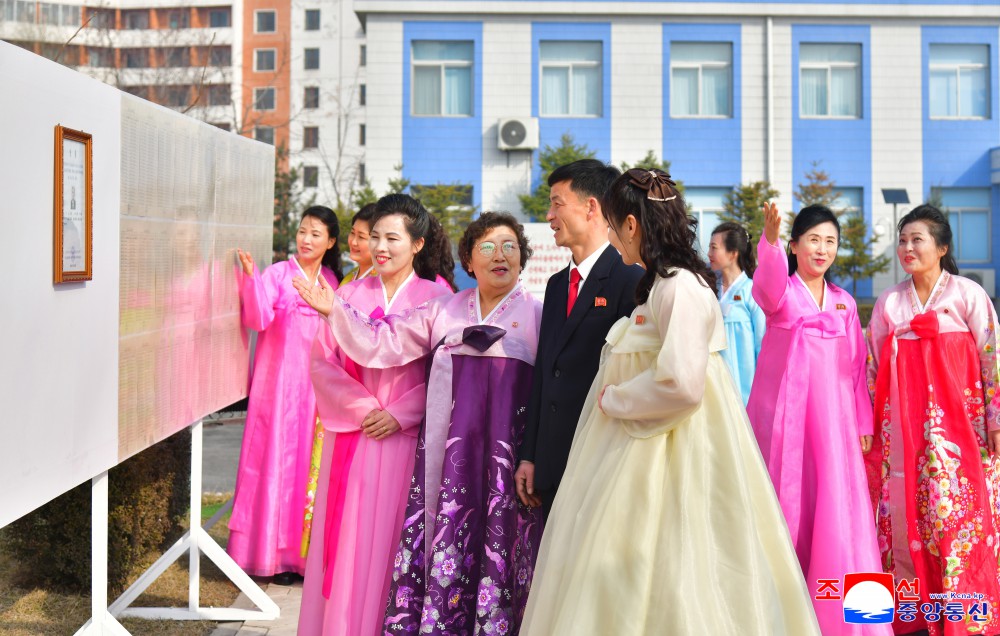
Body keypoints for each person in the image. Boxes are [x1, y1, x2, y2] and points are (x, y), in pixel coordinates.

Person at [520, 170, 819, 635]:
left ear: (632, 226)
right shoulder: (660, 284)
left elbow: (682, 384)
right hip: (645, 444)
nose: (612, 238)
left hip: (671, 449)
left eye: (615, 226)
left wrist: (616, 399)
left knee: (672, 565)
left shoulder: (679, 286)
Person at [296, 212, 543, 635]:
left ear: (523, 257)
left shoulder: (539, 316)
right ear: (469, 260)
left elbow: (551, 394)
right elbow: (383, 340)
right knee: (445, 550)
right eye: (487, 247)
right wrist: (334, 310)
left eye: (510, 247)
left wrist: (536, 457)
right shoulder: (443, 311)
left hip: (508, 470)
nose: (499, 256)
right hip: (449, 468)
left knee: (506, 554)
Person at [296, 194, 453, 636]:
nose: (380, 247)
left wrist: (402, 412)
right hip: (356, 434)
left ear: (417, 244)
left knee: (394, 541)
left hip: (406, 439)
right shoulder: (347, 294)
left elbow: (447, 373)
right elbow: (322, 364)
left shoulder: (438, 299)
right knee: (349, 542)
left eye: (392, 238)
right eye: (376, 237)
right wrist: (366, 408)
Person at [748, 202, 888, 635]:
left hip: (833, 428)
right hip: (788, 425)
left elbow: (856, 370)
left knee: (838, 513)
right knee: (788, 508)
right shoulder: (782, 295)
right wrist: (769, 242)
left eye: (830, 241)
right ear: (795, 246)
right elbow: (766, 287)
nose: (822, 249)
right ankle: (782, 613)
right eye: (813, 240)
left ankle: (842, 615)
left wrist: (862, 423)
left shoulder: (845, 303)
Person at [866, 204, 1000, 635]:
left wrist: (996, 418)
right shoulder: (889, 303)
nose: (907, 248)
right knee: (908, 516)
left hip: (962, 432)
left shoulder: (967, 295)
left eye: (917, 240)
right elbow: (871, 370)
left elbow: (992, 358)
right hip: (904, 432)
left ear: (942, 248)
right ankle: (914, 617)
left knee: (959, 517)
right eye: (902, 240)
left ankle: (966, 618)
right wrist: (870, 429)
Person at [515, 159, 643, 519]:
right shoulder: (557, 285)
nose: (549, 215)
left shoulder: (630, 280)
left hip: (603, 457)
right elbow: (545, 372)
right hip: (553, 462)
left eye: (557, 203)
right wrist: (530, 454)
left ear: (591, 207)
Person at [227, 205, 343, 582]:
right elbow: (258, 318)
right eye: (302, 231)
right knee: (271, 465)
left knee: (308, 470)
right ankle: (268, 555)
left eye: (315, 234)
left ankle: (302, 557)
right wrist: (250, 277)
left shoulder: (332, 282)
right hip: (275, 390)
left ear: (331, 242)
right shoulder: (277, 274)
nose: (306, 239)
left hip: (315, 394)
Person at [708, 221, 765, 404]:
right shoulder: (709, 290)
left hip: (745, 389)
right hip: (714, 385)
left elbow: (762, 344)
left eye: (714, 248)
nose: (709, 254)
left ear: (733, 254)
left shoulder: (752, 292)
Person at [341, 203, 377, 283]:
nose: (353, 242)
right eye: (352, 233)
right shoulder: (350, 275)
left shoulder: (381, 281)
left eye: (361, 237)